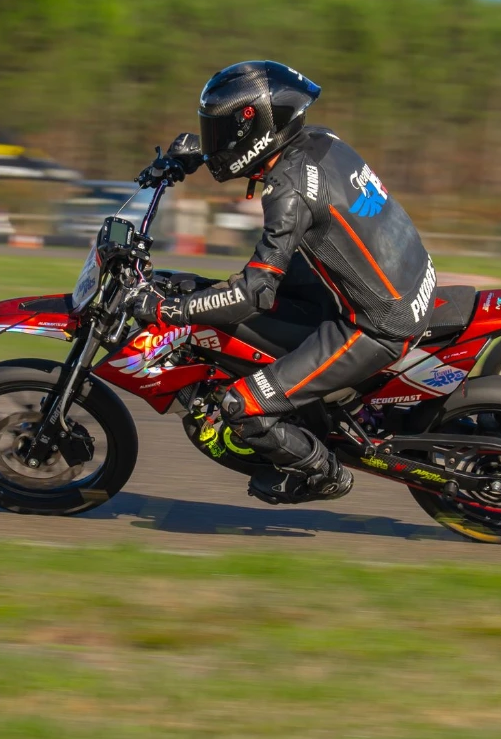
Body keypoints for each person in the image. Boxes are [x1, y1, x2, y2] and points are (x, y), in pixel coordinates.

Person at [131, 60, 436, 504]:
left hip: (377, 325)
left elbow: (254, 294)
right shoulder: (321, 140)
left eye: (222, 131)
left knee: (241, 407)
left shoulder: (288, 190)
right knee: (214, 294)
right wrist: (197, 155)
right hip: (400, 283)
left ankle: (322, 473)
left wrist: (167, 311)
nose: (216, 141)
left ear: (257, 128)